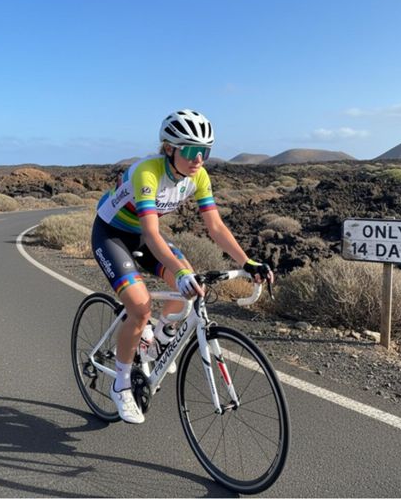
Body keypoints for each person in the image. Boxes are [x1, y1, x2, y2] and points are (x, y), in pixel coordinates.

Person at [92, 109, 274, 423]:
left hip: (143, 235)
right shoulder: (147, 172)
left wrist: (247, 262)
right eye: (191, 151)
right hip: (111, 234)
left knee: (190, 287)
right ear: (169, 148)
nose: (198, 159)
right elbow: (152, 233)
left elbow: (215, 227)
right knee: (140, 307)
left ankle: (159, 339)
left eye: (205, 151)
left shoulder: (198, 176)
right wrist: (179, 272)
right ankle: (121, 385)